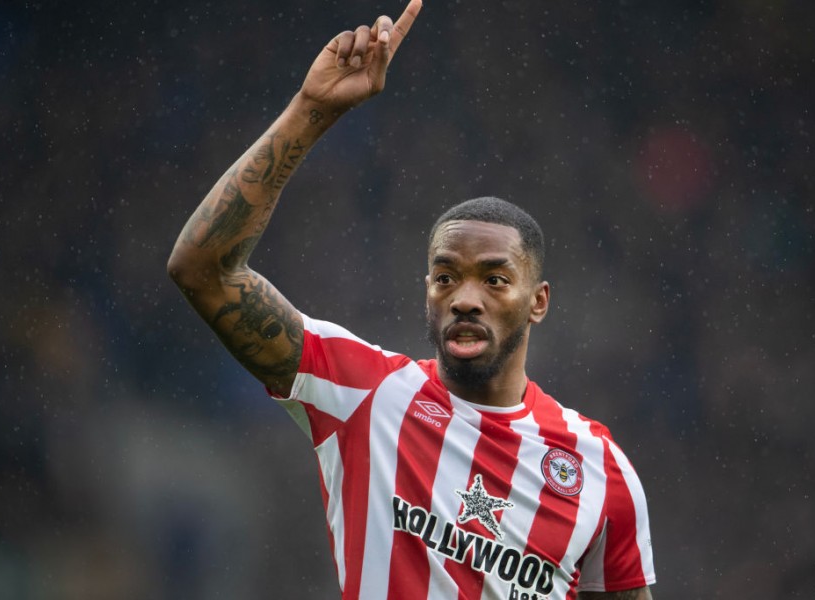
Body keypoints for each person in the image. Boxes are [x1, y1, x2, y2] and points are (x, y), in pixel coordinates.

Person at [167, 1, 656, 597]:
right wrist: (313, 111)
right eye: (445, 277)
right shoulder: (365, 394)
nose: (466, 298)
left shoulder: (599, 470)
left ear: (538, 301)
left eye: (495, 280)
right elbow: (203, 269)